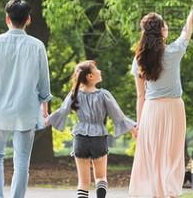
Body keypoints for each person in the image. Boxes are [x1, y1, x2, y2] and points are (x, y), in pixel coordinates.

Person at [129, 0, 193, 197]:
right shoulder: (175, 51)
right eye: (165, 25)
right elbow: (190, 23)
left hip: (151, 111)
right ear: (161, 31)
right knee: (171, 156)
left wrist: (139, 125)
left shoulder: (139, 59)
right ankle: (168, 193)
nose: (167, 27)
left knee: (153, 156)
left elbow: (140, 96)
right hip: (173, 110)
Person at [0, 0, 52, 198]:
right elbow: (44, 81)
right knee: (22, 161)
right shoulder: (37, 46)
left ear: (7, 19)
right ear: (28, 19)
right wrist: (45, 106)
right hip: (25, 109)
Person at [47, 60, 137, 198]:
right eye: (96, 69)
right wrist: (133, 128)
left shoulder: (74, 94)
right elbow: (118, 116)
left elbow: (61, 111)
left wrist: (47, 121)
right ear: (90, 76)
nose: (100, 71)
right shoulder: (104, 94)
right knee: (101, 178)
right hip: (99, 138)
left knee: (83, 183)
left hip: (80, 139)